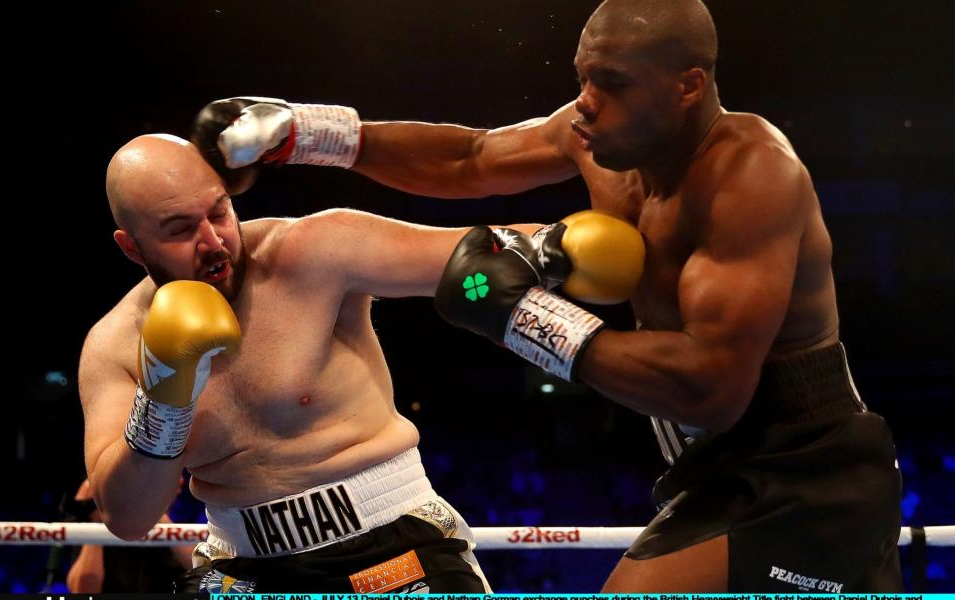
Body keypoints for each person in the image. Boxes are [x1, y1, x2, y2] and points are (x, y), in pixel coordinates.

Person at [190, 0, 903, 592]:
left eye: (613, 83)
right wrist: (305, 133)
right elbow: (470, 159)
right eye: (583, 78)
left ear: (687, 85)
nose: (586, 104)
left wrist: (523, 317)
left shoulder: (750, 176)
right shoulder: (596, 134)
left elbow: (709, 387)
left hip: (804, 468)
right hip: (711, 468)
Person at [81, 133, 513, 593]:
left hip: (390, 539)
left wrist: (561, 251)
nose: (213, 241)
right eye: (179, 229)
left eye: (219, 212)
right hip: (241, 567)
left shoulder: (312, 252)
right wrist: (164, 395)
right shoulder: (115, 344)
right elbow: (127, 518)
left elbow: (482, 259)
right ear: (132, 248)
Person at [65, 478, 193, 592]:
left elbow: (207, 575)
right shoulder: (88, 516)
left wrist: (156, 513)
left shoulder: (182, 516)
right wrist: (98, 519)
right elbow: (82, 590)